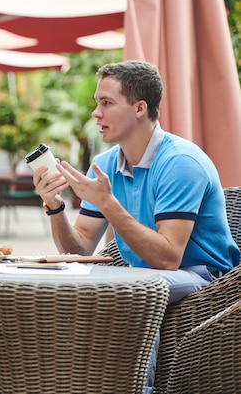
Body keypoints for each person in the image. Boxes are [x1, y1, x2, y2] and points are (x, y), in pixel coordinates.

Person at [33, 60, 240, 393]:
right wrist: (54, 205)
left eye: (106, 103)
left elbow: (168, 258)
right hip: (143, 274)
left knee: (133, 290)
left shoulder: (180, 163)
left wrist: (108, 203)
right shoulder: (104, 165)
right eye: (96, 103)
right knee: (75, 286)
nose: (95, 114)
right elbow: (80, 247)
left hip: (204, 277)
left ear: (140, 108)